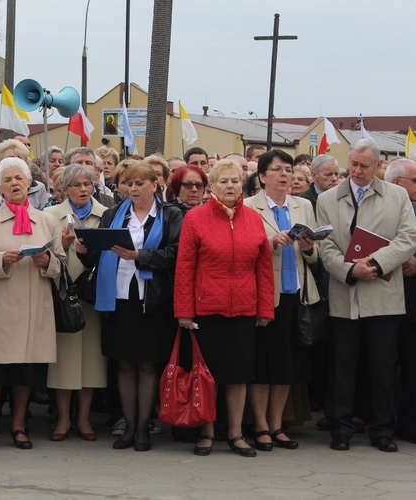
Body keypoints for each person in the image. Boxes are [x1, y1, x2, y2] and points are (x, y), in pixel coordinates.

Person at [317, 139, 416, 452]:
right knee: (343, 365)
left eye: (364, 166)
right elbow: (325, 245)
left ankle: (381, 430)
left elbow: (407, 239)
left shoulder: (398, 196)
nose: (357, 171)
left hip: (384, 294)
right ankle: (341, 428)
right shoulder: (329, 199)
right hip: (345, 294)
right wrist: (349, 270)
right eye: (353, 165)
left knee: (382, 366)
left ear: (378, 167)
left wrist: (375, 263)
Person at [78, 162, 183, 452]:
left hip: (152, 300)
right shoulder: (114, 213)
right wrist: (82, 250)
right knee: (123, 363)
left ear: (154, 186)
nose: (133, 189)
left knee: (148, 365)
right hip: (118, 297)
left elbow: (175, 253)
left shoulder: (170, 214)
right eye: (128, 184)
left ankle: (143, 429)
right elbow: (96, 257)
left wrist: (140, 255)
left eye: (139, 184)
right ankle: (128, 426)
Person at [174, 158, 274, 458]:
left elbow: (264, 269)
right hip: (207, 310)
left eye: (234, 180)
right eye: (223, 181)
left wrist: (265, 309)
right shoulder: (195, 219)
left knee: (239, 374)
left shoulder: (254, 219)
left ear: (242, 183)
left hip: (244, 309)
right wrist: (184, 311)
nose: (230, 186)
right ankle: (206, 432)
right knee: (208, 376)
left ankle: (235, 433)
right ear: (212, 187)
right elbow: (184, 268)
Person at [0, 157, 65, 453]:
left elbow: (61, 264)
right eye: (7, 180)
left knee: (26, 372)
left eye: (19, 178)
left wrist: (47, 261)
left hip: (35, 309)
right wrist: (0, 260)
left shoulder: (46, 219)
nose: (14, 184)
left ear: (28, 183)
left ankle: (19, 425)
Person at [244, 150, 319, 452]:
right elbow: (242, 250)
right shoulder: (249, 207)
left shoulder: (304, 205)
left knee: (288, 365)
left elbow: (317, 256)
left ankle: (277, 424)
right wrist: (269, 242)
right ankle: (260, 425)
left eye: (288, 169)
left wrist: (311, 247)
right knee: (263, 363)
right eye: (277, 169)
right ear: (262, 176)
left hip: (296, 293)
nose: (285, 175)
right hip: (264, 295)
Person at [44, 165, 108, 442]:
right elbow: (44, 253)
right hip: (62, 295)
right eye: (77, 185)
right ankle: (64, 417)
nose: (83, 189)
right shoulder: (49, 215)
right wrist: (64, 243)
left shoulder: (106, 214)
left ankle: (83, 417)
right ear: (64, 189)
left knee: (91, 361)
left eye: (87, 184)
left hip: (92, 296)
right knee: (64, 361)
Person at [385, 158, 416, 443]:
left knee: (411, 368)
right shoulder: (382, 206)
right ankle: (380, 420)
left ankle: (408, 424)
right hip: (382, 299)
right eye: (414, 181)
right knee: (381, 367)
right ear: (397, 184)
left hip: (411, 306)